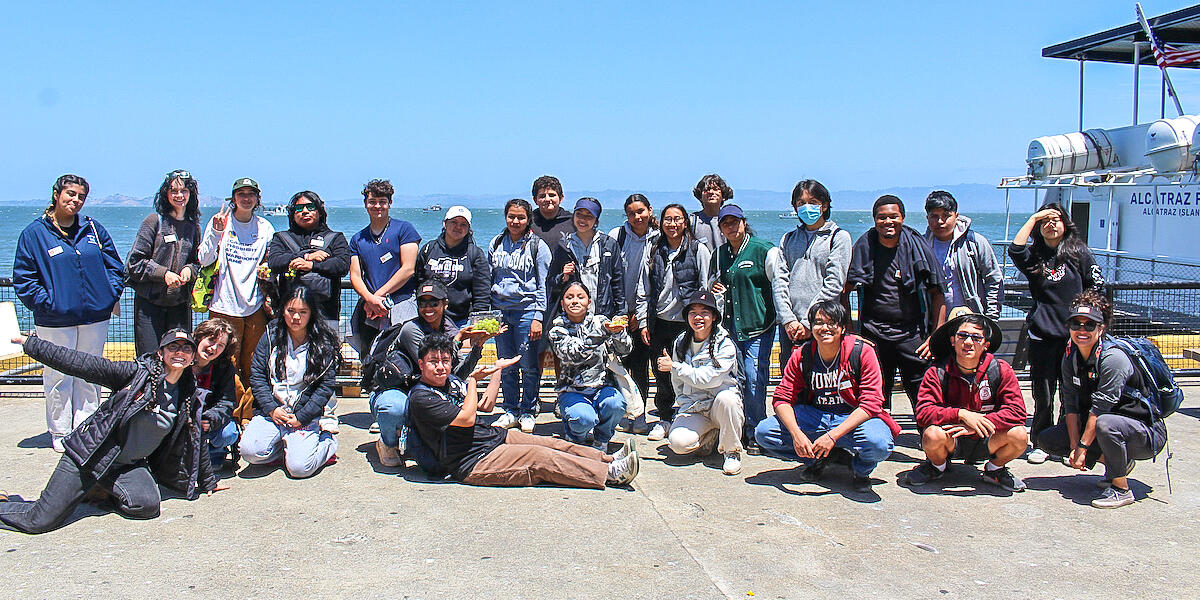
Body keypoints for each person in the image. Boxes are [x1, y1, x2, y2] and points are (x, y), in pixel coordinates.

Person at [0, 329, 226, 534]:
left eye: (186, 348)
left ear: (192, 356)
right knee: (39, 521)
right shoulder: (136, 374)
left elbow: (194, 437)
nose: (180, 353)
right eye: (173, 347)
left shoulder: (187, 392)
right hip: (91, 455)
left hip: (126, 465)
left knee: (145, 505)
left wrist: (207, 481)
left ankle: (98, 489)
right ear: (161, 352)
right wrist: (30, 344)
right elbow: (81, 363)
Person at [407, 334, 640, 488]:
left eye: (445, 360)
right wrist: (472, 382)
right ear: (421, 364)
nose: (440, 366)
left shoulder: (450, 382)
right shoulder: (421, 397)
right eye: (433, 361)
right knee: (540, 458)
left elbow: (485, 406)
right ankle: (608, 474)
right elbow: (467, 417)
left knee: (549, 444)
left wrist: (496, 370)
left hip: (490, 438)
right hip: (472, 460)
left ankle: (606, 459)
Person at [13, 174, 125, 453]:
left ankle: (86, 427)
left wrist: (108, 296)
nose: (75, 200)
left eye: (81, 196)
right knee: (58, 375)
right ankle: (61, 430)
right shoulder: (34, 234)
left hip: (94, 318)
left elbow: (115, 267)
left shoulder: (93, 229)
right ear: (56, 194)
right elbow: (24, 278)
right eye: (70, 194)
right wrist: (48, 303)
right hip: (55, 320)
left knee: (90, 374)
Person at [1037, 291, 1166, 508]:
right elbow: (1070, 403)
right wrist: (1073, 446)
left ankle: (1121, 489)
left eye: (1090, 325)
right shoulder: (1071, 357)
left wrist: (1083, 448)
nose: (1081, 330)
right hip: (1108, 426)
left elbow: (1100, 410)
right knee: (1047, 439)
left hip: (1144, 433)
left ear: (1101, 327)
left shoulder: (1112, 358)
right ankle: (1118, 464)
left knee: (1106, 424)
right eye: (1076, 324)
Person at [755, 300, 899, 493]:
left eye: (831, 323)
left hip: (852, 417)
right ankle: (817, 459)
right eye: (818, 322)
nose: (824, 328)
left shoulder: (862, 351)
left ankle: (860, 470)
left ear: (842, 327)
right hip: (816, 415)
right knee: (764, 432)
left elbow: (871, 403)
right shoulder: (802, 355)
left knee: (879, 444)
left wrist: (833, 436)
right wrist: (797, 435)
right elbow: (782, 397)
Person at [1009, 202, 1104, 464]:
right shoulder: (1035, 256)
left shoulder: (1079, 253)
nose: (1051, 225)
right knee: (1043, 392)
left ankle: (1064, 441)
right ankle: (1041, 440)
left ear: (1066, 224)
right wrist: (1035, 217)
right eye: (1045, 221)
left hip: (1074, 336)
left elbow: (1097, 286)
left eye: (1056, 219)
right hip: (1042, 334)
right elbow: (1015, 249)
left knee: (1071, 392)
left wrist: (1092, 325)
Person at [365, 279, 493, 467]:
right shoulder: (411, 330)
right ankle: (388, 442)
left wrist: (477, 346)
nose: (428, 308)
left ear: (445, 304)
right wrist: (457, 341)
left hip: (423, 389)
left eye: (434, 302)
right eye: (422, 303)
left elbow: (454, 374)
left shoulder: (449, 328)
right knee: (394, 409)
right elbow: (433, 368)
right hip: (395, 389)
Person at [906, 308, 1029, 492]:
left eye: (976, 337)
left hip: (987, 436)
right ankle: (937, 466)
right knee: (931, 435)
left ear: (986, 344)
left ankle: (994, 470)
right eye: (962, 335)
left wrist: (979, 423)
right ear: (953, 340)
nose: (968, 342)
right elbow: (923, 413)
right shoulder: (936, 372)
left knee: (1019, 435)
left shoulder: (1001, 370)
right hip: (952, 438)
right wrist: (961, 414)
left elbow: (1017, 412)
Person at [845, 195, 946, 413]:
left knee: (924, 395)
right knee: (876, 397)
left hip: (912, 335)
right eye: (882, 218)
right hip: (874, 334)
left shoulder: (917, 245)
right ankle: (880, 440)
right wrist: (850, 332)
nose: (888, 222)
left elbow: (938, 293)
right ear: (874, 220)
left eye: (893, 216)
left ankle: (930, 436)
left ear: (903, 217)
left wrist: (935, 337)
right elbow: (843, 291)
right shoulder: (865, 244)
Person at [239, 286, 342, 478]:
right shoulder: (271, 335)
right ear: (283, 310)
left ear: (311, 314)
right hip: (274, 412)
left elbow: (325, 387)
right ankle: (285, 449)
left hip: (303, 414)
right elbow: (258, 374)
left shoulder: (323, 341)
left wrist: (302, 416)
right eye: (291, 311)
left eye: (303, 312)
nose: (296, 318)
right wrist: (271, 408)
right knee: (249, 452)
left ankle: (327, 443)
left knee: (299, 469)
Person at [711, 204, 784, 454]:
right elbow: (714, 283)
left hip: (758, 326)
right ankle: (738, 428)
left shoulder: (764, 250)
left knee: (755, 378)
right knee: (736, 380)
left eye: (734, 222)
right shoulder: (720, 254)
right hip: (731, 328)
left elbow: (779, 287)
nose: (730, 227)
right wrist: (715, 290)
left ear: (744, 222)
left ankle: (756, 430)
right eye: (725, 223)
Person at [636, 203, 712, 440]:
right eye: (668, 219)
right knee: (661, 372)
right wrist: (642, 321)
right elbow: (643, 287)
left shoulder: (698, 249)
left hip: (687, 322)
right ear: (661, 222)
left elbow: (706, 284)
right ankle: (665, 417)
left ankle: (691, 416)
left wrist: (702, 319)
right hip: (659, 321)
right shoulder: (654, 249)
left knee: (688, 370)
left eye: (677, 219)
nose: (673, 224)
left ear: (685, 222)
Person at [197, 177, 274, 386]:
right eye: (241, 194)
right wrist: (216, 232)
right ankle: (225, 411)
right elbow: (204, 259)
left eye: (251, 194)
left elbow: (269, 262)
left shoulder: (265, 227)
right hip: (223, 306)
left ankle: (248, 412)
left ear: (258, 199)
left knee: (253, 363)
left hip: (254, 307)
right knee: (225, 363)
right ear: (233, 198)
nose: (246, 199)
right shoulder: (221, 221)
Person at [660, 290, 744, 475]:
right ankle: (710, 437)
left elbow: (709, 379)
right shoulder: (681, 342)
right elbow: (677, 384)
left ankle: (732, 452)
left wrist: (675, 367)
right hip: (695, 408)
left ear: (714, 317)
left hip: (719, 406)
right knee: (678, 444)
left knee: (727, 399)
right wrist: (683, 406)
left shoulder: (725, 344)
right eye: (693, 312)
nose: (698, 317)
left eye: (705, 312)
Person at [487, 199, 552, 434]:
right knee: (506, 363)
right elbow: (490, 278)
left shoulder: (538, 246)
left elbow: (544, 284)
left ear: (528, 219)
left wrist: (538, 316)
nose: (515, 221)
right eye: (511, 216)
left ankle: (528, 409)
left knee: (528, 364)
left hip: (526, 311)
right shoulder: (496, 243)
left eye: (521, 217)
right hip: (501, 312)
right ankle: (510, 409)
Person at [774, 179, 852, 368]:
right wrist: (788, 320)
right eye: (801, 203)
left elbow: (834, 282)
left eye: (813, 202)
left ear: (824, 205)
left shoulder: (838, 237)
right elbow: (780, 280)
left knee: (823, 382)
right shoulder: (789, 238)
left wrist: (809, 323)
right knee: (792, 381)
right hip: (790, 328)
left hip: (823, 324)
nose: (806, 207)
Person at [126, 169, 203, 354]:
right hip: (149, 304)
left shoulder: (193, 227)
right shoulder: (154, 221)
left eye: (183, 191)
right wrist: (163, 274)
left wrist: (189, 270)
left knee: (179, 356)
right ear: (165, 194)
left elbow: (196, 262)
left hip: (179, 305)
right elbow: (134, 262)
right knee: (149, 357)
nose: (179, 195)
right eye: (173, 191)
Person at [548, 282, 631, 449]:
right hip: (572, 391)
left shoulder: (601, 322)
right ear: (563, 304)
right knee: (584, 419)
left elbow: (625, 349)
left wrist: (618, 333)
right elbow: (573, 355)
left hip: (602, 386)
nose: (575, 301)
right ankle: (575, 436)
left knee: (615, 404)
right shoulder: (556, 330)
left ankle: (602, 438)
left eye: (581, 297)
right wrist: (601, 334)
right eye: (569, 298)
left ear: (589, 302)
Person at [349, 178, 422, 355]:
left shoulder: (405, 229)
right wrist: (369, 299)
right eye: (372, 201)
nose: (377, 206)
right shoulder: (358, 239)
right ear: (365, 204)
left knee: (405, 355)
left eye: (382, 202)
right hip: (371, 308)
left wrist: (377, 296)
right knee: (370, 355)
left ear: (390, 203)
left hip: (402, 302)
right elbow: (355, 275)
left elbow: (408, 269)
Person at [610, 194, 659, 433]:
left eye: (641, 211)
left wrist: (639, 316)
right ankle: (620, 412)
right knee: (616, 365)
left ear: (650, 210)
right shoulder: (616, 237)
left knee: (640, 366)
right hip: (618, 313)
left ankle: (639, 416)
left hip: (645, 314)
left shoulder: (659, 239)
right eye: (631, 213)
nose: (637, 217)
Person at [267, 190, 351, 325]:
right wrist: (306, 256)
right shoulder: (281, 238)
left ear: (319, 211)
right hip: (289, 317)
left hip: (326, 315)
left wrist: (312, 266)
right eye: (299, 208)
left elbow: (342, 265)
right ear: (292, 214)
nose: (305, 211)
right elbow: (274, 261)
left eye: (310, 207)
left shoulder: (335, 238)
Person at [922, 190, 1003, 319]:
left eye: (946, 215)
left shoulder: (974, 242)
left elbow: (993, 279)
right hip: (933, 322)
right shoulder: (921, 246)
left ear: (956, 216)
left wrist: (991, 317)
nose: (940, 221)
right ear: (927, 218)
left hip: (970, 321)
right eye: (934, 216)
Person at [547, 197, 625, 320]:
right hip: (574, 316)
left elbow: (618, 281)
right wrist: (563, 277)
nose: (583, 220)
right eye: (579, 214)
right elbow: (551, 282)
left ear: (596, 220)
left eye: (589, 216)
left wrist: (621, 312)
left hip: (602, 314)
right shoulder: (564, 245)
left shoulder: (609, 244)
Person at [414, 205, 491, 327]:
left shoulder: (475, 254)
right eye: (454, 222)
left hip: (462, 321)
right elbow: (419, 281)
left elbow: (482, 292)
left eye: (463, 224)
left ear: (468, 228)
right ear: (445, 223)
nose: (458, 227)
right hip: (430, 320)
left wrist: (478, 323)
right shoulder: (428, 249)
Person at [190, 318, 240, 470]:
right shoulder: (183, 360)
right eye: (211, 340)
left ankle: (215, 453)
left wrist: (210, 419)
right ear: (199, 337)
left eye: (221, 345)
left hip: (208, 417)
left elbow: (227, 401)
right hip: (185, 416)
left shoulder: (224, 367)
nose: (213, 348)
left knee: (228, 433)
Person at [690, 173, 732, 256]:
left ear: (723, 195)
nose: (711, 192)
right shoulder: (692, 221)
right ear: (700, 196)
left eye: (715, 189)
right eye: (707, 190)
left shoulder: (731, 220)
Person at [529, 175, 575, 248]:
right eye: (542, 196)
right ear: (535, 200)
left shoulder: (573, 222)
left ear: (561, 198)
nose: (547, 199)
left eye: (552, 195)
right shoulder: (528, 222)